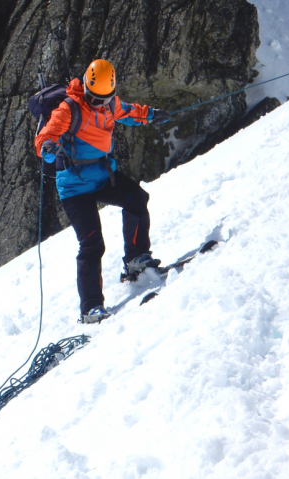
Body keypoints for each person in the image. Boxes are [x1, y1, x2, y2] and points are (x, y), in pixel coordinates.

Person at [35, 59, 171, 324]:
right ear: (86, 88)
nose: (99, 103)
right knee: (91, 243)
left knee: (136, 199)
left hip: (100, 175)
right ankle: (91, 309)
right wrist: (48, 148)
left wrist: (152, 115)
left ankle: (135, 260)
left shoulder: (110, 104)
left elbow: (129, 112)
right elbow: (44, 138)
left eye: (104, 99)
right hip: (74, 187)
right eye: (95, 98)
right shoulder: (68, 108)